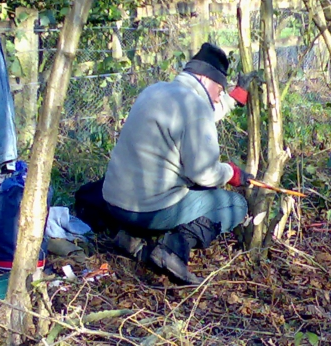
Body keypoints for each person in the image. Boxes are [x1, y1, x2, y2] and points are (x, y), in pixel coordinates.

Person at [102, 43, 255, 284]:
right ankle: (172, 248)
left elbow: (203, 112)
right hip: (148, 210)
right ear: (205, 79)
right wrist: (231, 173)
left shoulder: (155, 91)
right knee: (234, 205)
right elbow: (204, 174)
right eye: (220, 89)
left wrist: (234, 99)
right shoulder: (195, 108)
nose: (219, 96)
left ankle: (128, 236)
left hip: (113, 202)